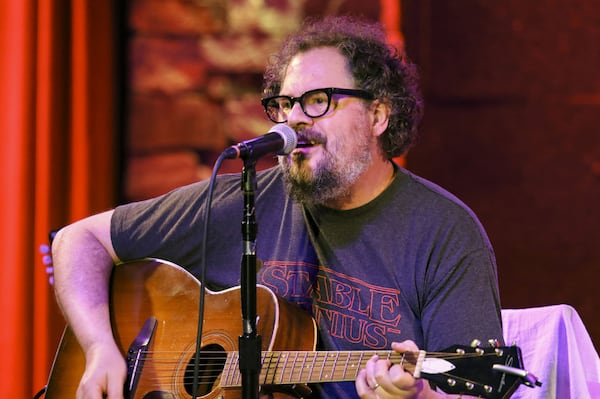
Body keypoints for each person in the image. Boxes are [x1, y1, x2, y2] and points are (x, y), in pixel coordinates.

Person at [52, 15, 504, 399]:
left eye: (318, 100)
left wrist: (416, 394)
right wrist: (99, 350)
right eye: (286, 104)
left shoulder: (444, 232)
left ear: (379, 115)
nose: (295, 118)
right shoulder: (247, 196)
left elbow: (469, 387)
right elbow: (79, 240)